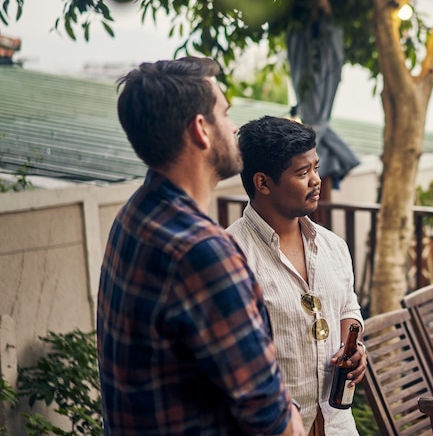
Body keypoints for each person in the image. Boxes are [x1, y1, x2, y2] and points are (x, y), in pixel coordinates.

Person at [98, 58, 303, 435]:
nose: (234, 126)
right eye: (225, 113)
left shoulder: (133, 216)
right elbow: (275, 424)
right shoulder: (202, 253)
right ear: (201, 130)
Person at [226, 115, 366, 435]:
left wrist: (355, 348)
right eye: (303, 172)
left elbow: (348, 307)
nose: (316, 179)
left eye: (315, 167)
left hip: (337, 424)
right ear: (262, 183)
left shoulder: (333, 246)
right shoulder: (231, 258)